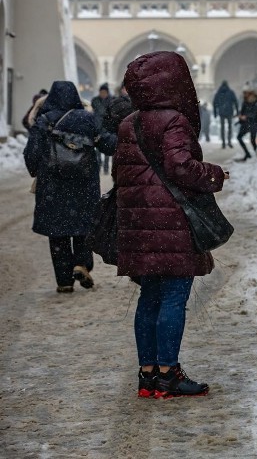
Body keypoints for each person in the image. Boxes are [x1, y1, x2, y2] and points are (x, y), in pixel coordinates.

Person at [116, 51, 229, 398]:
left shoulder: (128, 123)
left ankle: (147, 375)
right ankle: (168, 374)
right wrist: (213, 174)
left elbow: (121, 174)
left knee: (149, 296)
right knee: (173, 298)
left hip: (139, 223)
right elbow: (180, 166)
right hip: (172, 222)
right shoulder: (174, 120)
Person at [23, 80, 108, 292]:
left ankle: (63, 281)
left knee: (57, 234)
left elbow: (31, 152)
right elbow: (106, 142)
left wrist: (37, 171)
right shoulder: (88, 119)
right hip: (83, 184)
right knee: (83, 228)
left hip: (53, 186)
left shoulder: (44, 121)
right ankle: (82, 263)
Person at [91, 83, 113, 175]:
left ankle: (106, 167)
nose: (103, 94)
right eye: (101, 92)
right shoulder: (95, 100)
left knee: (107, 148)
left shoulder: (111, 100)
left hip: (107, 128)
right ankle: (99, 164)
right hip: (97, 127)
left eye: (104, 92)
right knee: (98, 148)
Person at [212, 80, 239, 149]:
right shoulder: (231, 92)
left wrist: (215, 113)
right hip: (229, 111)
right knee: (230, 127)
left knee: (222, 128)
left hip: (221, 112)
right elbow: (235, 102)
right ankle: (229, 142)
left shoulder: (218, 93)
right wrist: (237, 111)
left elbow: (214, 103)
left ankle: (223, 143)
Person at [236, 89, 257, 161]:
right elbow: (242, 111)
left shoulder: (256, 103)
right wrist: (240, 116)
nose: (244, 95)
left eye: (246, 94)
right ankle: (247, 154)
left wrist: (246, 116)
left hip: (253, 124)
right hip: (245, 124)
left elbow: (255, 114)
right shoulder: (245, 102)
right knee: (239, 137)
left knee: (253, 141)